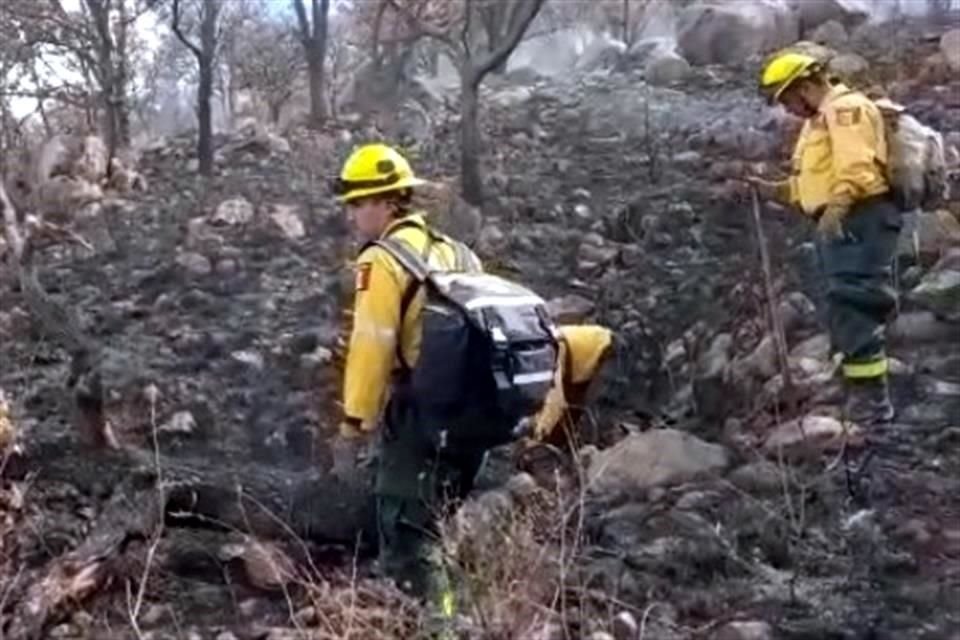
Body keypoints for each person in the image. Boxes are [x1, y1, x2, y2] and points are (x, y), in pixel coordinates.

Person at [329, 142, 484, 621]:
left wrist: (354, 425)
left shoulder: (382, 260)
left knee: (409, 543)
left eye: (358, 202)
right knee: (435, 530)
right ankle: (461, 615)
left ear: (387, 202)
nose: (353, 214)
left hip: (422, 419)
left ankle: (444, 629)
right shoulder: (457, 252)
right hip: (472, 420)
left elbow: (372, 346)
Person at [748, 49, 901, 425]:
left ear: (804, 86)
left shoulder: (845, 110)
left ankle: (873, 406)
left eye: (786, 99)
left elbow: (857, 168)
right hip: (842, 221)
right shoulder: (818, 122)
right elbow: (813, 183)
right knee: (840, 303)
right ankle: (855, 387)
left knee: (855, 302)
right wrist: (773, 190)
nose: (787, 109)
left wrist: (837, 210)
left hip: (859, 218)